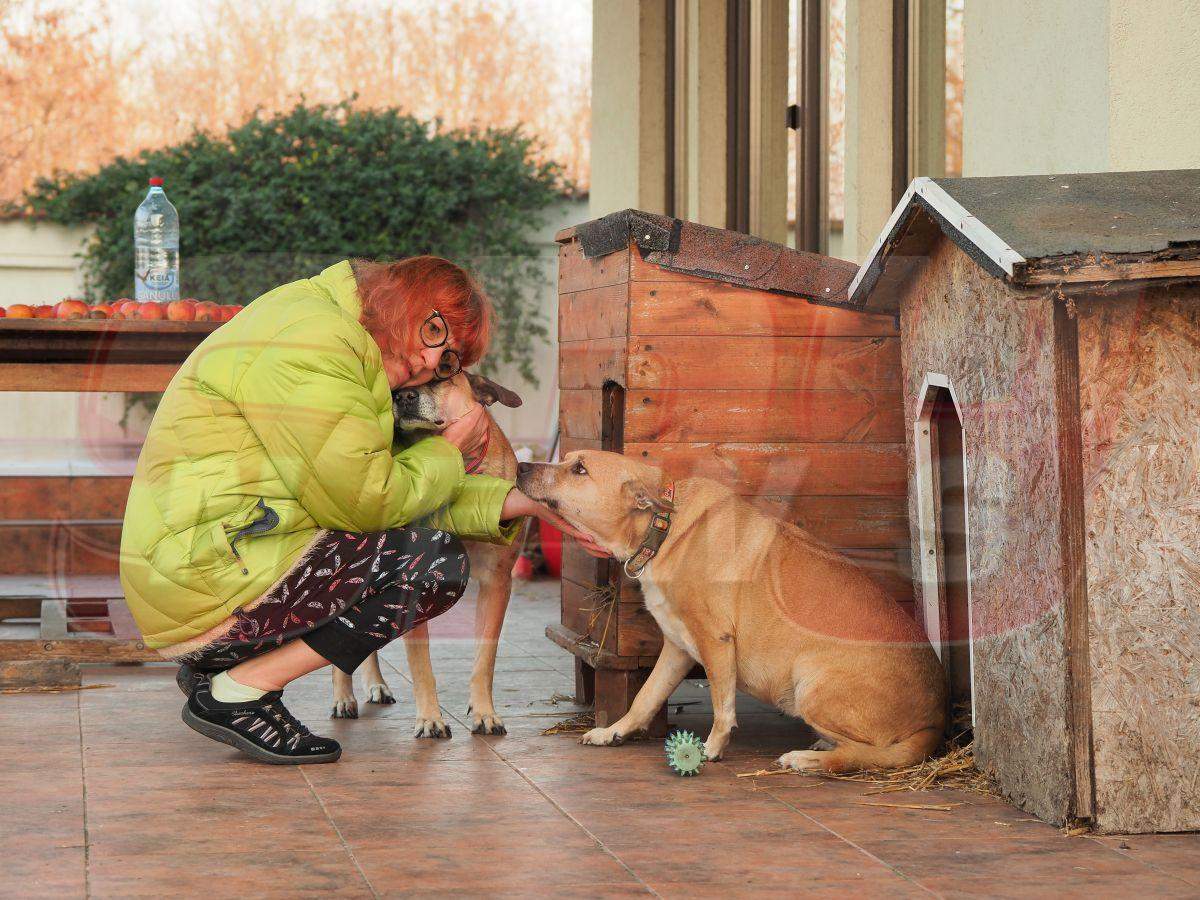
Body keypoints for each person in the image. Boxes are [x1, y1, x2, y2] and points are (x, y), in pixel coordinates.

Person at [119, 257, 605, 764]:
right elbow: (369, 505)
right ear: (400, 304)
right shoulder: (318, 345)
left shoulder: (324, 325)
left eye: (445, 364)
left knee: (403, 547)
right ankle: (241, 690)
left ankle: (220, 659)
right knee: (432, 565)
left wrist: (517, 501)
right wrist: (449, 450)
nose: (425, 362)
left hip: (201, 562)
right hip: (207, 573)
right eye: (431, 332)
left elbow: (390, 491)